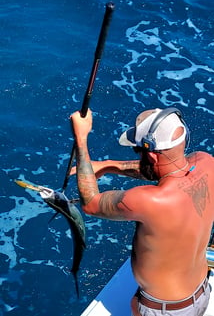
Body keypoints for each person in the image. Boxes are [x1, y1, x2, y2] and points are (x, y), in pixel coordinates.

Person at [70, 107, 214, 316]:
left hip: (166, 311)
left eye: (139, 151)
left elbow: (91, 203)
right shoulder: (205, 162)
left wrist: (81, 139)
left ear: (152, 157)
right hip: (201, 293)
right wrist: (110, 166)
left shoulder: (149, 200)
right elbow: (168, 170)